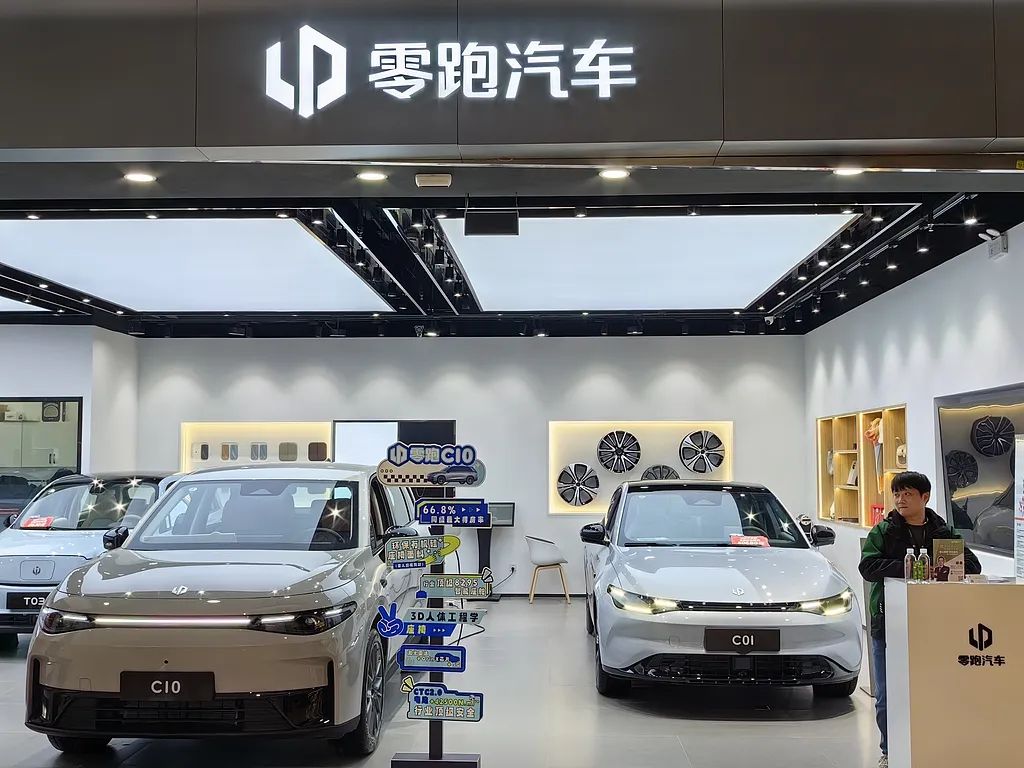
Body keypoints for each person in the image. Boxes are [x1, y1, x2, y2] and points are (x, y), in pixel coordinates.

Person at [859, 471, 981, 768]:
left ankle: (931, 746)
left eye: (907, 494)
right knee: (887, 694)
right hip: (889, 624)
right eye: (897, 494)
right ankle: (890, 750)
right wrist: (909, 567)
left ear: (925, 497)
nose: (900, 499)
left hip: (934, 624)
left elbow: (973, 564)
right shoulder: (885, 531)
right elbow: (868, 567)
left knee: (931, 689)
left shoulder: (943, 531)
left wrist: (944, 566)